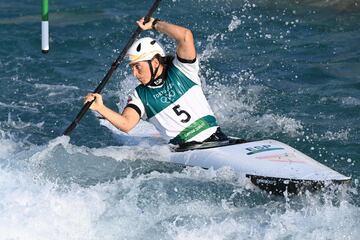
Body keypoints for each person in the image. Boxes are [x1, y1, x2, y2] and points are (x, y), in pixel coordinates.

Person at [84, 17, 227, 145]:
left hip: (219, 138)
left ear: (155, 62)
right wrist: (100, 107)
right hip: (187, 150)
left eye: (138, 67)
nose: (134, 73)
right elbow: (126, 124)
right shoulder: (140, 95)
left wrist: (155, 24)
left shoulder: (183, 70)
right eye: (132, 68)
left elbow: (185, 36)